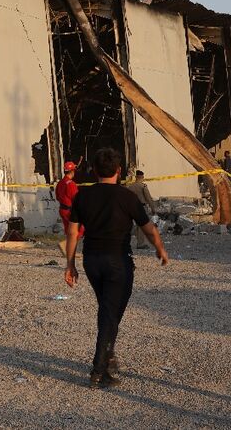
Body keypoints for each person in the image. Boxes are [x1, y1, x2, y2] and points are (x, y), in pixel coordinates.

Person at [64, 148, 169, 388]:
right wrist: (160, 248)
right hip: (118, 262)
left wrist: (70, 263)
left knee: (107, 310)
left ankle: (108, 358)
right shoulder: (127, 197)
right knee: (111, 313)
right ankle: (99, 370)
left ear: (93, 170)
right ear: (119, 171)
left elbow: (72, 232)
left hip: (92, 261)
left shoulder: (82, 196)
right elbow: (147, 227)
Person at [55, 161, 85, 255]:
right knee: (79, 230)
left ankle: (69, 251)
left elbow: (57, 196)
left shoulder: (60, 183)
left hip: (62, 209)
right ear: (72, 171)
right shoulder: (71, 184)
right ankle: (67, 247)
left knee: (68, 230)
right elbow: (76, 199)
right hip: (69, 211)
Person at [127, 170, 157, 250]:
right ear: (142, 177)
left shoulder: (130, 186)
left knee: (134, 226)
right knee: (141, 226)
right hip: (141, 207)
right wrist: (153, 208)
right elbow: (148, 198)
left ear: (136, 177)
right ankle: (140, 244)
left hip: (132, 207)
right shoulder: (143, 186)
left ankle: (132, 242)